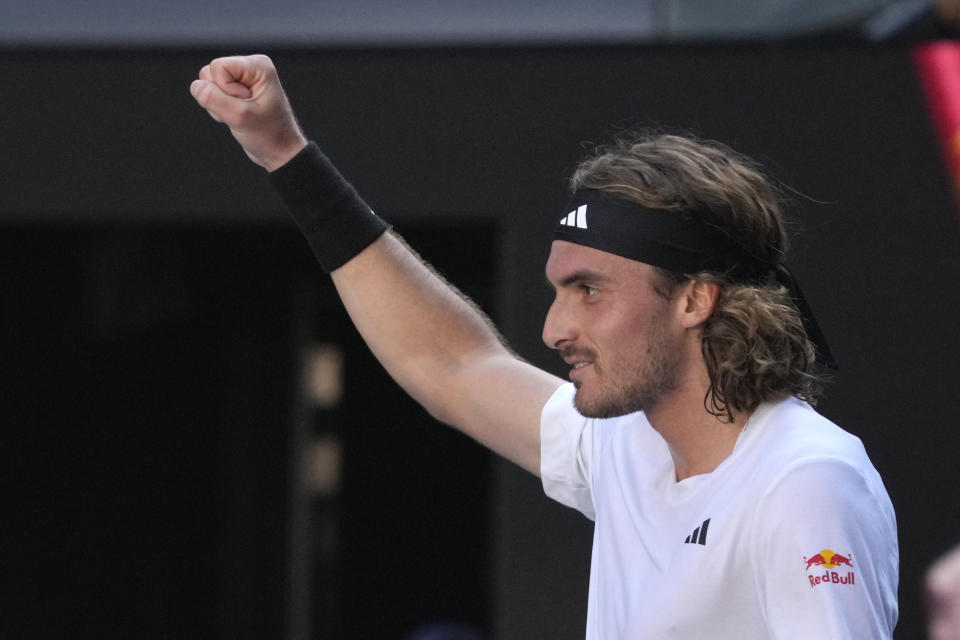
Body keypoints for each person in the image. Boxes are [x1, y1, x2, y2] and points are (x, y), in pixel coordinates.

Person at [190, 54, 899, 638]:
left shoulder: (806, 481)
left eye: (589, 289)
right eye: (559, 291)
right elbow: (454, 365)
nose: (554, 328)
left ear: (694, 297)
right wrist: (286, 153)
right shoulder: (628, 444)